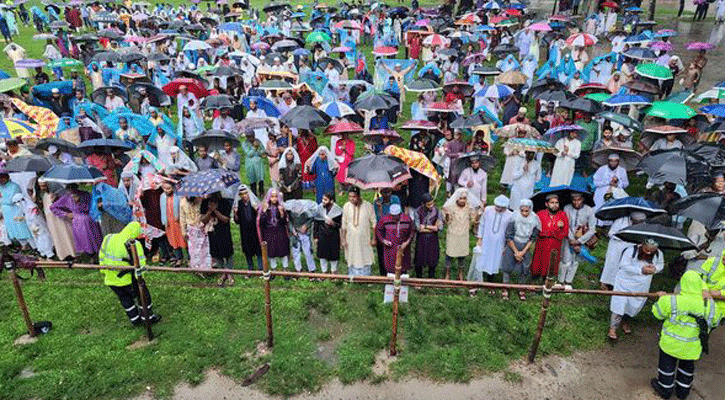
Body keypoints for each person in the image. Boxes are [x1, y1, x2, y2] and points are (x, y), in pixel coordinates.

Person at [651, 271, 721, 400]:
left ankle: (665, 390)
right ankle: (683, 392)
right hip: (692, 347)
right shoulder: (710, 305)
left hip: (670, 344)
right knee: (686, 369)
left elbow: (657, 313)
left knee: (666, 367)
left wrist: (661, 298)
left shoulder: (671, 300)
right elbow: (715, 321)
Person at [99, 221, 161, 326]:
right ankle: (148, 318)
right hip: (127, 279)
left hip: (110, 278)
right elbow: (140, 263)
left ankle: (135, 320)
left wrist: (104, 271)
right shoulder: (134, 244)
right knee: (143, 297)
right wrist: (139, 280)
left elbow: (101, 255)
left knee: (125, 299)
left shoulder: (108, 238)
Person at [608, 240, 664, 339]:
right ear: (642, 245)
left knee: (633, 306)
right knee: (619, 304)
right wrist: (641, 270)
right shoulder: (630, 250)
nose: (649, 253)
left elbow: (660, 265)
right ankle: (612, 328)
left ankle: (626, 322)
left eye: (652, 251)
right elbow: (623, 265)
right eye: (646, 249)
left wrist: (654, 269)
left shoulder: (659, 254)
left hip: (642, 284)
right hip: (624, 283)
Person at [471, 195, 513, 293]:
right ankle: (479, 281)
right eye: (497, 206)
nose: (498, 209)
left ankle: (491, 282)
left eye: (501, 208)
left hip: (499, 243)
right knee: (482, 258)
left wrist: (506, 246)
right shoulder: (488, 210)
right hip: (486, 240)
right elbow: (482, 224)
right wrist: (480, 238)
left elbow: (509, 232)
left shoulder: (510, 215)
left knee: (494, 260)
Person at [50, 184, 103, 260]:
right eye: (69, 188)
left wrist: (80, 201)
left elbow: (92, 205)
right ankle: (91, 256)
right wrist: (66, 214)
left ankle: (99, 254)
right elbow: (53, 207)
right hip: (79, 222)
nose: (71, 190)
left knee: (95, 238)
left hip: (90, 219)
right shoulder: (67, 197)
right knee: (85, 240)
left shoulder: (85, 194)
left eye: (73, 187)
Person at [501, 198, 540, 300]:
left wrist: (522, 252)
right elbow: (508, 235)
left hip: (526, 245)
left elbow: (533, 238)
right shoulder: (514, 217)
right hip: (513, 243)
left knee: (525, 268)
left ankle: (521, 288)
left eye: (526, 211)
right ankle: (505, 288)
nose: (524, 213)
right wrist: (516, 252)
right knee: (507, 266)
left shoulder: (534, 219)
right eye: (522, 210)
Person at [558, 192, 596, 289]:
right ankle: (560, 280)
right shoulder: (567, 208)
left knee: (575, 261)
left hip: (581, 237)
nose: (576, 202)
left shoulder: (589, 210)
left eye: (578, 199)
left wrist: (579, 241)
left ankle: (568, 281)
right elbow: (565, 224)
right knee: (565, 259)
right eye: (574, 200)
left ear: (582, 199)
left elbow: (592, 229)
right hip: (568, 237)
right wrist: (571, 239)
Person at [443, 188, 479, 281]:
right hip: (453, 233)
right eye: (461, 198)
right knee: (449, 254)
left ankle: (460, 273)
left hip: (464, 233)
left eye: (464, 198)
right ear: (457, 198)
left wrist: (477, 216)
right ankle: (448, 273)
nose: (462, 200)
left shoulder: (468, 206)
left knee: (462, 255)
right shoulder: (450, 207)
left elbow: (473, 219)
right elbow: (447, 222)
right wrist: (447, 214)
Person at [531, 194, 568, 280]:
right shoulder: (540, 214)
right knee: (538, 262)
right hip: (541, 243)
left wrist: (560, 229)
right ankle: (534, 279)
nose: (555, 205)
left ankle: (547, 281)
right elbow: (537, 230)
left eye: (556, 203)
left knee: (551, 264)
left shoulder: (562, 215)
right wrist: (551, 232)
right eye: (552, 202)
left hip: (555, 245)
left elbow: (565, 233)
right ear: (546, 204)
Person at [341, 186, 377, 276]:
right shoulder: (346, 206)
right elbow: (344, 224)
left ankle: (365, 276)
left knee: (365, 255)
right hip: (350, 239)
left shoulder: (368, 206)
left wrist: (374, 238)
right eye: (350, 197)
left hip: (364, 239)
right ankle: (353, 276)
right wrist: (343, 239)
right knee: (352, 256)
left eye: (354, 197)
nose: (351, 199)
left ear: (359, 196)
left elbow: (374, 223)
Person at [202, 192, 234, 286]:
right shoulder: (205, 203)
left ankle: (230, 273)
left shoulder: (225, 202)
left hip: (224, 231)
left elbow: (226, 219)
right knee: (216, 252)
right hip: (212, 232)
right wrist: (209, 211)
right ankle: (222, 272)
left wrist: (215, 211)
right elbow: (203, 220)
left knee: (227, 253)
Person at [256, 188, 290, 271]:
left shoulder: (281, 207)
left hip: (280, 232)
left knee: (283, 251)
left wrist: (282, 214)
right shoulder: (264, 208)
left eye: (276, 196)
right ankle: (274, 269)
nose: (274, 199)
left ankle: (285, 268)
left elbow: (285, 222)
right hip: (269, 233)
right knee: (271, 252)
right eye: (272, 197)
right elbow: (261, 223)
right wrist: (264, 211)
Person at [375, 203, 415, 274]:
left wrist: (407, 242)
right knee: (390, 266)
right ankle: (390, 280)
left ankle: (403, 281)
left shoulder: (407, 220)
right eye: (393, 216)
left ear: (400, 214)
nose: (395, 217)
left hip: (403, 248)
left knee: (403, 265)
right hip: (390, 247)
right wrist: (384, 241)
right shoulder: (384, 220)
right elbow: (378, 231)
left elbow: (412, 232)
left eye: (396, 216)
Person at [0, 171, 33, 249]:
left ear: (7, 177)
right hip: (6, 212)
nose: (1, 180)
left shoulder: (14, 186)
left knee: (21, 226)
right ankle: (23, 244)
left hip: (16, 210)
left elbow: (11, 200)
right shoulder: (1, 187)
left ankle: (33, 245)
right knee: (12, 228)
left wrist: (2, 200)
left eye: (2, 178)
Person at [233, 185, 263, 271]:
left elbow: (260, 217)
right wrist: (235, 213)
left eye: (245, 193)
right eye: (241, 194)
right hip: (244, 230)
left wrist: (256, 209)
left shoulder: (253, 203)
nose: (244, 196)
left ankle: (260, 267)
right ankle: (250, 267)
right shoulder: (239, 204)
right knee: (247, 249)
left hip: (254, 229)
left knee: (258, 248)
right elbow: (237, 221)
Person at [413, 193, 443, 279]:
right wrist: (433, 227)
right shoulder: (418, 211)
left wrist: (426, 227)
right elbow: (418, 228)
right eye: (429, 204)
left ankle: (431, 278)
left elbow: (439, 227)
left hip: (433, 238)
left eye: (432, 203)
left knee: (432, 258)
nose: (431, 206)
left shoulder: (437, 211)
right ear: (423, 204)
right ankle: (419, 278)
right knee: (419, 258)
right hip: (421, 238)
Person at [180, 196, 212, 271]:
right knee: (193, 250)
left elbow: (205, 215)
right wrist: (183, 232)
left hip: (201, 228)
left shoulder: (201, 201)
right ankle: (196, 268)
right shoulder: (182, 202)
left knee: (204, 249)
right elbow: (182, 218)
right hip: (191, 229)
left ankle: (206, 268)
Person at [314, 192, 343, 274]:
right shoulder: (319, 209)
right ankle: (324, 272)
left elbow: (341, 224)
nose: (323, 201)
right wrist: (315, 237)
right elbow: (316, 223)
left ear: (331, 201)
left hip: (333, 236)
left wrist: (333, 224)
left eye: (325, 200)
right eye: (323, 199)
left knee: (333, 255)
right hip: (322, 235)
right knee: (322, 255)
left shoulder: (338, 211)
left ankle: (334, 272)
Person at [160, 182, 185, 265]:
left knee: (183, 239)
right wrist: (164, 221)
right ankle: (179, 258)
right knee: (174, 241)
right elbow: (162, 210)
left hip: (178, 222)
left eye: (169, 188)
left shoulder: (178, 195)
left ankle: (189, 258)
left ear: (173, 188)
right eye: (164, 189)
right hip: (169, 223)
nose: (166, 190)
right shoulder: (162, 197)